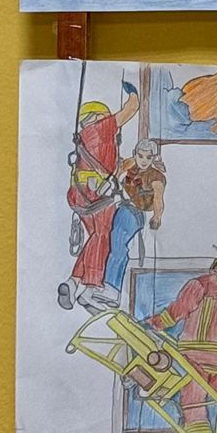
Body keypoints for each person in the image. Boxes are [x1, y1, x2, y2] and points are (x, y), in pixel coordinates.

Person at [146, 243, 217, 433]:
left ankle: (198, 432)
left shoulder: (202, 283)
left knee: (192, 391)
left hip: (196, 354)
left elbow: (178, 310)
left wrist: (156, 323)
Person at [58, 85, 140, 311]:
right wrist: (133, 92)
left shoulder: (86, 139)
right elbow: (131, 109)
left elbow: (113, 169)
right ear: (97, 117)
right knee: (103, 236)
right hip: (97, 196)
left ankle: (73, 282)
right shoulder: (101, 128)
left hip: (80, 194)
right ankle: (91, 288)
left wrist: (135, 162)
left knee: (95, 237)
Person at [101, 139, 167, 302]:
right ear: (135, 154)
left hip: (134, 212)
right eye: (140, 156)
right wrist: (116, 174)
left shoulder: (156, 177)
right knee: (112, 242)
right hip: (121, 207)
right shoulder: (132, 165)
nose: (144, 160)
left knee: (118, 243)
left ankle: (112, 289)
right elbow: (116, 174)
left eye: (148, 157)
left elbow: (158, 199)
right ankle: (108, 287)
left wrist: (157, 217)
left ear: (153, 158)